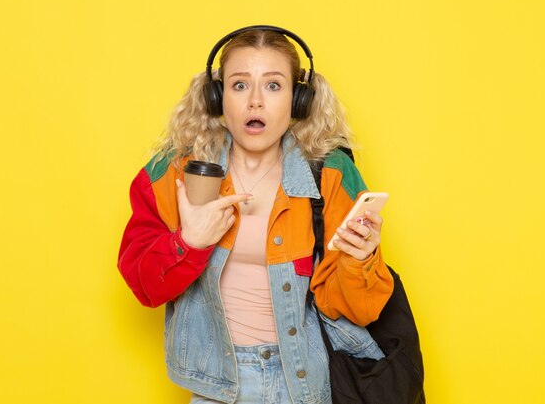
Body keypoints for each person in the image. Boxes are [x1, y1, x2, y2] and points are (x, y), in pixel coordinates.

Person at [118, 26, 394, 404]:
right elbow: (144, 286)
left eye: (274, 85)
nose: (256, 102)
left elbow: (355, 311)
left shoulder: (330, 173)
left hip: (306, 384)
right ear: (217, 98)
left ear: (299, 100)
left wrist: (359, 261)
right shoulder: (177, 171)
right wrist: (188, 244)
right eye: (240, 85)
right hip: (215, 384)